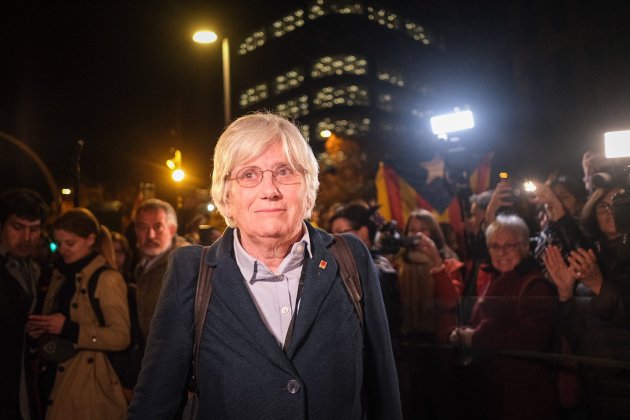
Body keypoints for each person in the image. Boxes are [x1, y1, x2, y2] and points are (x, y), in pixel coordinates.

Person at [128, 112, 402, 419]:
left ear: (308, 186)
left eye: (284, 171)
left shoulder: (349, 257)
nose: (269, 189)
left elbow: (383, 390)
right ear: (226, 195)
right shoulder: (190, 272)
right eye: (248, 175)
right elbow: (154, 405)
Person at [449, 214, 559, 420]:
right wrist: (461, 333)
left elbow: (532, 341)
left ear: (525, 246)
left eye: (509, 245)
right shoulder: (493, 279)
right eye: (495, 246)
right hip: (492, 393)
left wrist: (473, 337)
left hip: (524, 398)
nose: (502, 252)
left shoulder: (535, 286)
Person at [26, 208, 130, 420]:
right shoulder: (60, 273)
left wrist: (68, 329)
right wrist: (40, 331)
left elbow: (121, 337)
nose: (63, 249)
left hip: (89, 386)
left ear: (90, 239)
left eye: (70, 243)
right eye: (58, 243)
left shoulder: (107, 279)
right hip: (55, 376)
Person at [543, 182, 630, 419]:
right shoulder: (593, 256)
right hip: (594, 383)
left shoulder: (596, 267)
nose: (609, 211)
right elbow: (576, 334)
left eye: (618, 204)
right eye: (602, 205)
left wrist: (599, 286)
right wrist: (565, 294)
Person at [0, 189, 48, 420]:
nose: (27, 238)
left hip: (25, 385)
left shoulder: (36, 270)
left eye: (34, 229)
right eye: (17, 227)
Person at [328, 202, 403, 345]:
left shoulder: (374, 272)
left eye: (340, 232)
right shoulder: (368, 267)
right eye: (332, 235)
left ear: (362, 233)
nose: (333, 240)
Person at [132, 198, 188, 348]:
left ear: (172, 230)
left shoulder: (185, 265)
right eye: (143, 227)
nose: (150, 235)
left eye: (158, 227)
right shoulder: (142, 264)